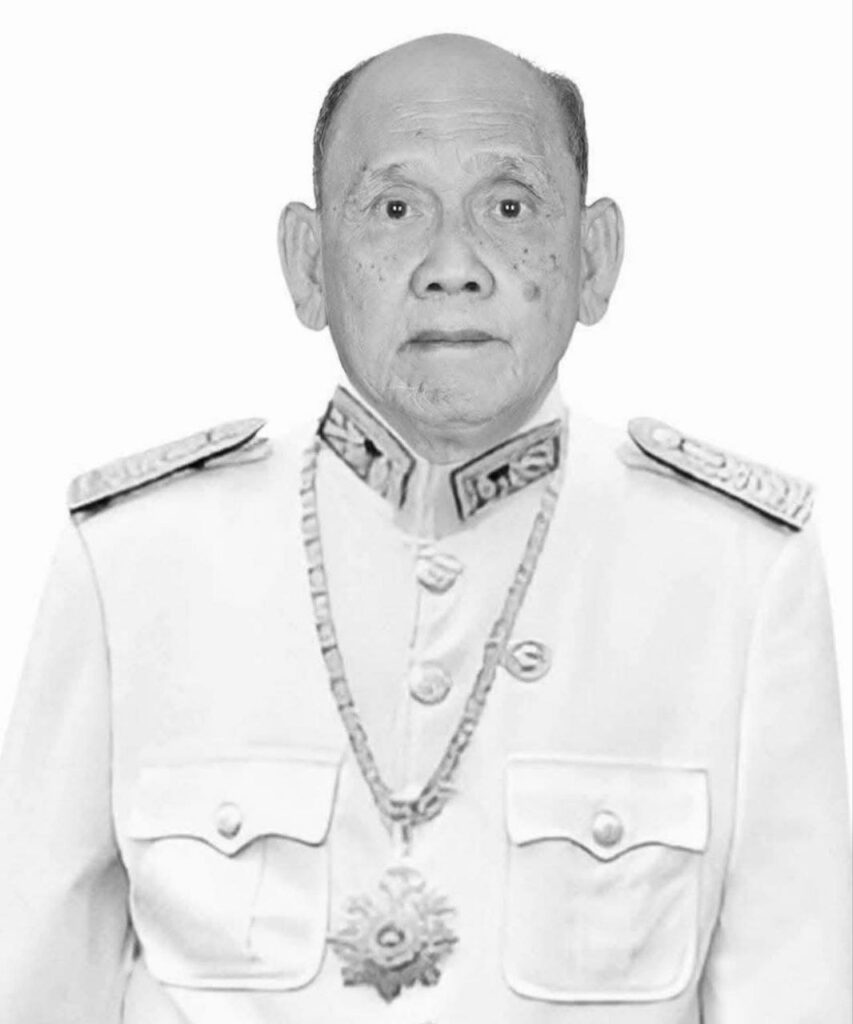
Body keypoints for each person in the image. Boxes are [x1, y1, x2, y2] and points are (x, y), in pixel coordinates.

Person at [0, 31, 849, 1024]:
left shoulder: (737, 572)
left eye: (508, 207)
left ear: (594, 259)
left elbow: (793, 990)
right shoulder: (135, 561)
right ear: (308, 264)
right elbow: (34, 984)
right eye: (395, 209)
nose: (453, 266)